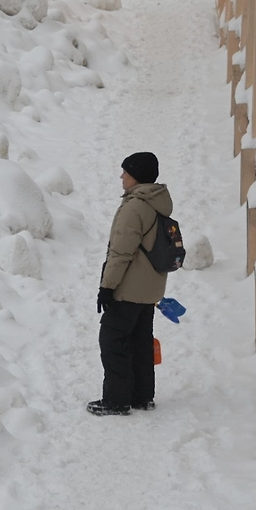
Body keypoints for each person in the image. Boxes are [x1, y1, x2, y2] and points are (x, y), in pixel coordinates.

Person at [88, 152, 173, 416]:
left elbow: (121, 252)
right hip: (149, 288)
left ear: (136, 176)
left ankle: (116, 400)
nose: (121, 176)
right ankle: (142, 396)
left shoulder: (135, 207)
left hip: (129, 288)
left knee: (113, 341)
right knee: (140, 342)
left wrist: (107, 287)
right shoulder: (157, 203)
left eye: (125, 172)